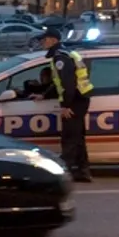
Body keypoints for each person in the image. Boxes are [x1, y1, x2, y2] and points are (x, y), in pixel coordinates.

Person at [38, 28, 94, 182]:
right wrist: (44, 95)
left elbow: (68, 84)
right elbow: (58, 83)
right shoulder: (64, 54)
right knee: (77, 137)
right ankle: (82, 170)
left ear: (53, 40)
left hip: (75, 101)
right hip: (80, 99)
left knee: (69, 138)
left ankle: (65, 173)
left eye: (45, 39)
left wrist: (65, 106)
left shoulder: (60, 58)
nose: (42, 42)